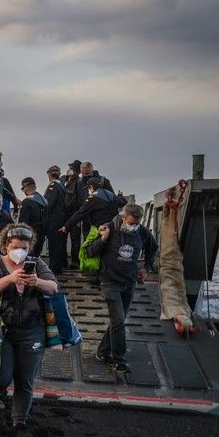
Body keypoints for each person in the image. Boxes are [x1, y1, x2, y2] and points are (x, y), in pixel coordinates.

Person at [0, 225, 59, 437]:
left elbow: (53, 287)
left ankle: (20, 422)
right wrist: (11, 278)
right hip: (2, 329)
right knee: (2, 377)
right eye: (15, 247)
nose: (20, 251)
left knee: (25, 380)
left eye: (24, 248)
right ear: (5, 246)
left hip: (32, 329)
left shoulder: (37, 264)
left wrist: (37, 282)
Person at [88, 203, 158, 373]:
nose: (133, 226)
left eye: (137, 223)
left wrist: (146, 268)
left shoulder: (142, 232)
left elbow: (152, 249)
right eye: (131, 222)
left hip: (129, 282)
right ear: (123, 218)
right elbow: (91, 251)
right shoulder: (108, 228)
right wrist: (103, 239)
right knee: (118, 319)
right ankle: (119, 360)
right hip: (109, 281)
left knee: (117, 320)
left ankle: (103, 352)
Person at [60, 177, 127, 241]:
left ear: (91, 187)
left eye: (88, 188)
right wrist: (120, 195)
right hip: (113, 227)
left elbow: (80, 213)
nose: (88, 191)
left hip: (101, 229)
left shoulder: (93, 198)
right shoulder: (110, 194)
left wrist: (66, 226)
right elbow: (123, 202)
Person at [43, 165, 68, 274]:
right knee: (59, 242)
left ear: (49, 174)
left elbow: (49, 204)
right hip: (61, 217)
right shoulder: (61, 184)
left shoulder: (53, 185)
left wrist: (44, 217)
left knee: (54, 243)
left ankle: (54, 267)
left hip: (54, 218)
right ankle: (59, 264)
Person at [18, 177, 47, 257]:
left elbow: (23, 223)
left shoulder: (27, 202)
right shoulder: (44, 201)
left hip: (30, 235)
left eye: (22, 188)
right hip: (41, 234)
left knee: (29, 259)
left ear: (26, 187)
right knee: (36, 257)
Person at [63, 160, 83, 268]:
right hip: (64, 214)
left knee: (75, 239)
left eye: (71, 167)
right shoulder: (64, 180)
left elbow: (79, 200)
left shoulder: (79, 182)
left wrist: (79, 217)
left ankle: (75, 262)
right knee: (62, 238)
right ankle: (63, 261)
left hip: (74, 214)